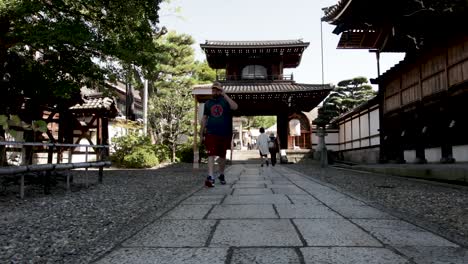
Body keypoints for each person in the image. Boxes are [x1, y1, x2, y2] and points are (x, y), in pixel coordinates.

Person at [200, 81, 238, 187]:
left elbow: (235, 107)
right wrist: (201, 132)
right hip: (211, 132)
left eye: (217, 89)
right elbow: (204, 118)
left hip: (224, 133)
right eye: (213, 89)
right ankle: (211, 177)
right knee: (210, 154)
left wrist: (225, 95)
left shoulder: (226, 101)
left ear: (221, 90)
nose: (215, 91)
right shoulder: (208, 103)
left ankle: (221, 174)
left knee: (222, 156)